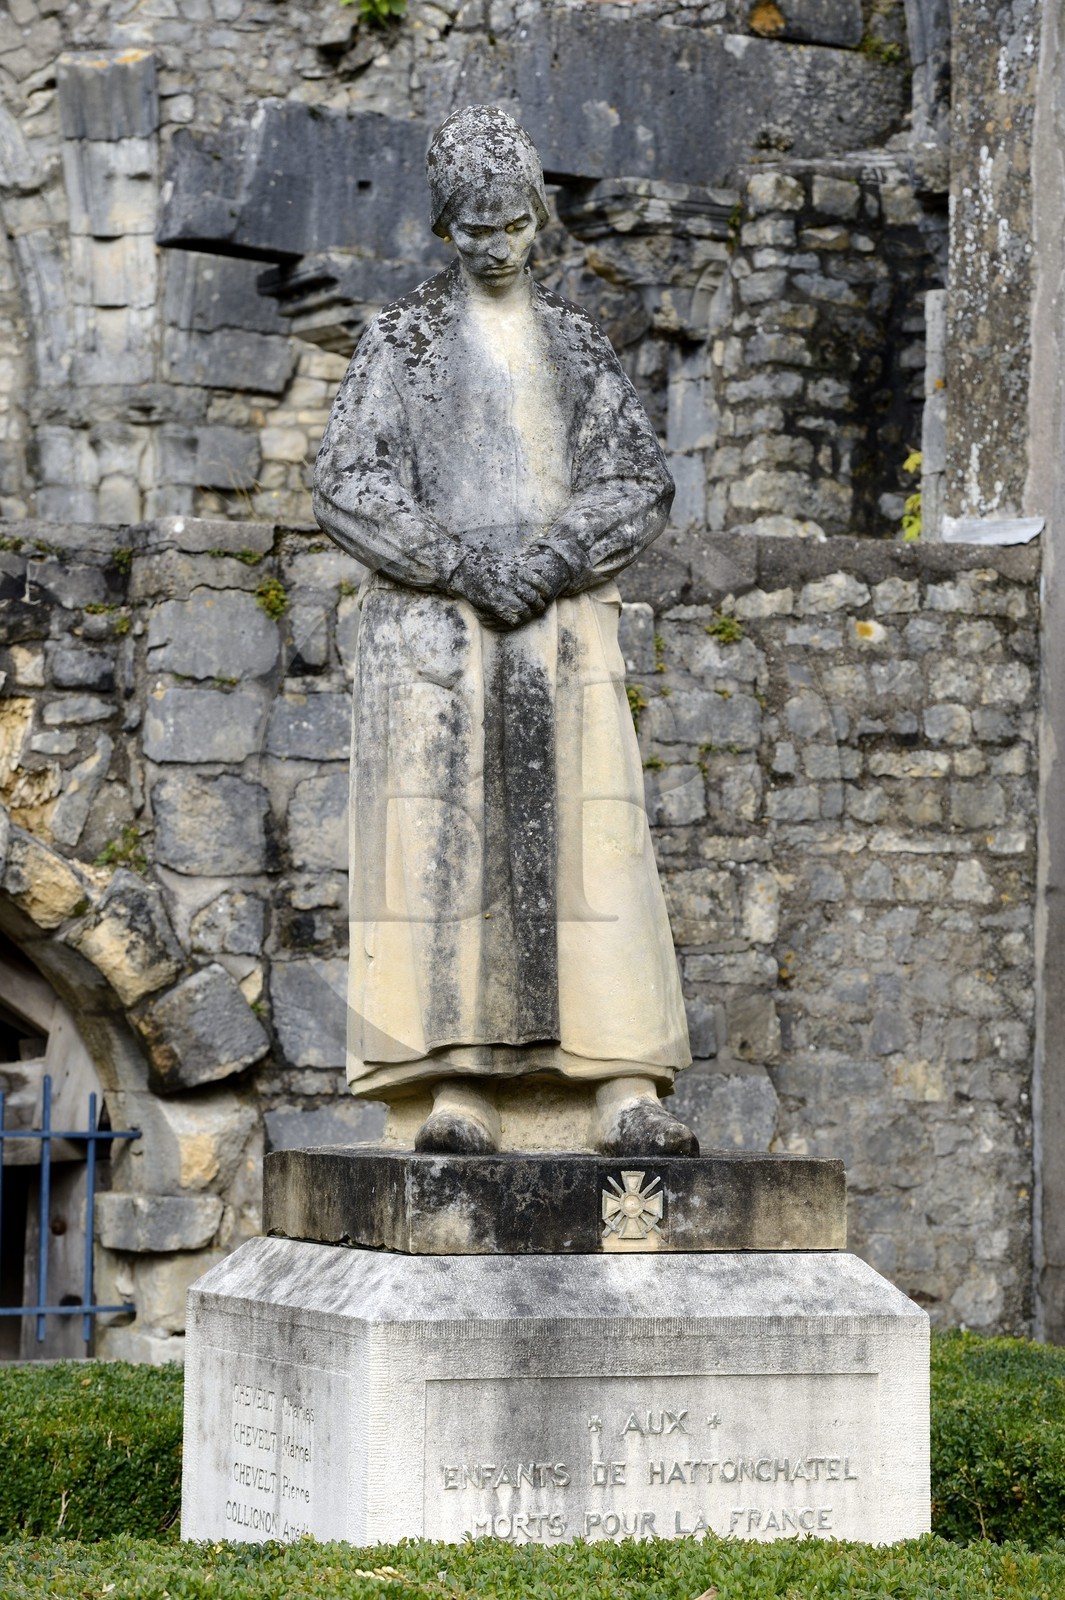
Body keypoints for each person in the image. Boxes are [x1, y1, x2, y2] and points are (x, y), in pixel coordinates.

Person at [313, 105, 698, 1157]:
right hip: (437, 632)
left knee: (596, 848)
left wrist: (557, 555)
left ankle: (621, 1081)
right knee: (442, 852)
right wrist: (457, 563)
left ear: (538, 218)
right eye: (475, 228)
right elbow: (347, 481)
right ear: (446, 227)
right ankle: (457, 1084)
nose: (495, 246)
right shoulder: (400, 342)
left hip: (560, 626)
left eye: (514, 224)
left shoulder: (574, 342)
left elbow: (637, 477)